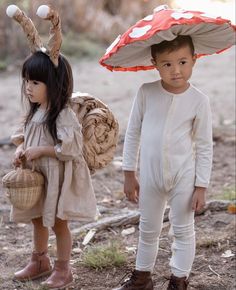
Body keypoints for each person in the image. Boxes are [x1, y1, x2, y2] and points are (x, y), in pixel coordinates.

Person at [114, 35, 213, 290]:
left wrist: (201, 185)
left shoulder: (199, 100)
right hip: (150, 176)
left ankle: (179, 280)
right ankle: (142, 278)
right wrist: (128, 173)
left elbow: (203, 145)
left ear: (195, 59)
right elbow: (133, 132)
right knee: (148, 229)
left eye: (182, 62)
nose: (176, 70)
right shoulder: (146, 92)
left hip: (184, 176)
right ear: (154, 63)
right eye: (167, 64)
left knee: (183, 229)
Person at [11, 51, 97, 289]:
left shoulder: (62, 115)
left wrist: (43, 150)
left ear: (55, 83)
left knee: (59, 223)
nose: (28, 87)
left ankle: (63, 268)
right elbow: (24, 139)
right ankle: (39, 260)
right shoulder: (35, 111)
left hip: (56, 178)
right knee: (37, 219)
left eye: (35, 82)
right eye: (26, 81)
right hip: (38, 178)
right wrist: (21, 151)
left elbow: (70, 149)